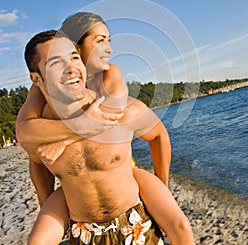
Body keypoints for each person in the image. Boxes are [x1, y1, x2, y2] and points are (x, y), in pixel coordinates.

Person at [16, 14, 195, 244]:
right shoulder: (38, 129)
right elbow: (34, 155)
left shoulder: (118, 108)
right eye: (55, 63)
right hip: (84, 230)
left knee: (182, 227)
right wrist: (46, 205)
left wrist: (162, 186)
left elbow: (159, 134)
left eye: (73, 58)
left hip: (134, 222)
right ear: (36, 79)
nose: (70, 68)